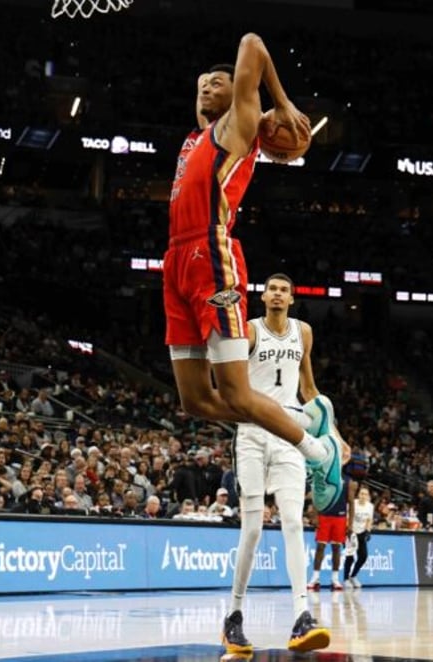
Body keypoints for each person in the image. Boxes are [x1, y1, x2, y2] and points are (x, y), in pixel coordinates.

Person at [162, 33, 342, 517]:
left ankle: (320, 454)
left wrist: (281, 103)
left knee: (238, 393)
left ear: (240, 94)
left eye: (216, 82)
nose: (205, 86)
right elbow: (208, 91)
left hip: (211, 252)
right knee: (196, 400)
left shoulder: (240, 123)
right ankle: (298, 417)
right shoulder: (201, 132)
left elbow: (252, 44)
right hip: (176, 260)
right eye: (201, 81)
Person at [222, 273, 330, 654]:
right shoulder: (248, 331)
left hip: (288, 431)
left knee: (292, 523)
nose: (278, 294)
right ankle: (233, 615)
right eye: (272, 289)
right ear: (263, 296)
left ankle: (302, 615)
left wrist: (334, 432)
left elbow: (309, 389)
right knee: (251, 529)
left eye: (284, 289)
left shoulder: (304, 332)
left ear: (292, 297)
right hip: (251, 432)